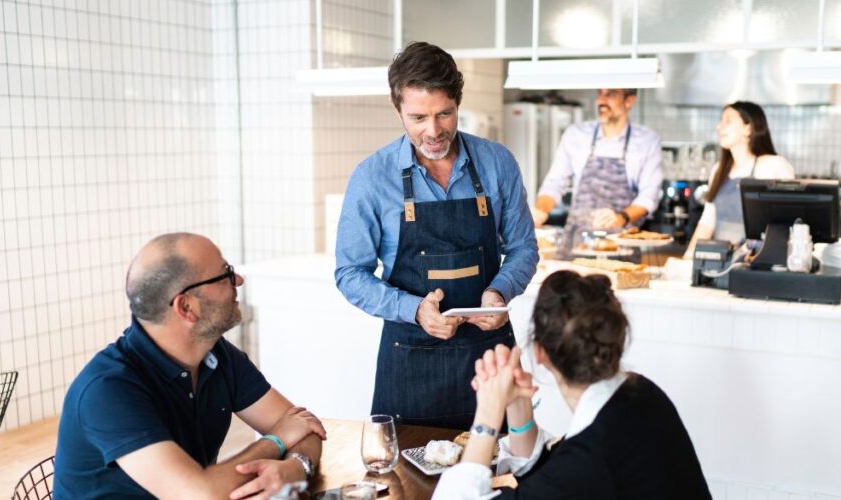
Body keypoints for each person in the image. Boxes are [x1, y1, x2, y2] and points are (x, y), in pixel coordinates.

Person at [428, 270, 742, 500]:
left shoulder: (594, 453)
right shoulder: (637, 393)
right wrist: (517, 406)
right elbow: (551, 484)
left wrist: (487, 414)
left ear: (539, 355)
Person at [52, 233, 326, 500]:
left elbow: (305, 423)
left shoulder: (218, 356)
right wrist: (276, 441)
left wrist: (297, 467)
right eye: (225, 274)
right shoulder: (108, 390)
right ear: (187, 307)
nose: (238, 279)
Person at [334, 42, 538, 429]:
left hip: (490, 358)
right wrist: (413, 310)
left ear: (458, 103)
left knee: (502, 477)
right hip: (411, 361)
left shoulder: (497, 162)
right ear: (398, 109)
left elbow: (524, 247)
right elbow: (350, 274)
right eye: (417, 117)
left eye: (445, 114)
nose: (433, 131)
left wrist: (499, 293)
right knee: (408, 485)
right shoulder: (372, 177)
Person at [530, 88, 664, 258]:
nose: (602, 100)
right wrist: (541, 210)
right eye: (600, 94)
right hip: (575, 246)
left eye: (611, 95)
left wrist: (621, 217)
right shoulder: (576, 135)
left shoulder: (647, 141)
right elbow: (554, 184)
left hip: (621, 247)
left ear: (629, 101)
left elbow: (649, 196)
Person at [687, 101, 795, 256]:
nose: (719, 127)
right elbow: (707, 222)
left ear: (748, 128)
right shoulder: (718, 169)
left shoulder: (773, 165)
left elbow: (787, 221)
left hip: (759, 263)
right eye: (720, 121)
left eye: (728, 121)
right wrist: (688, 258)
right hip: (721, 261)